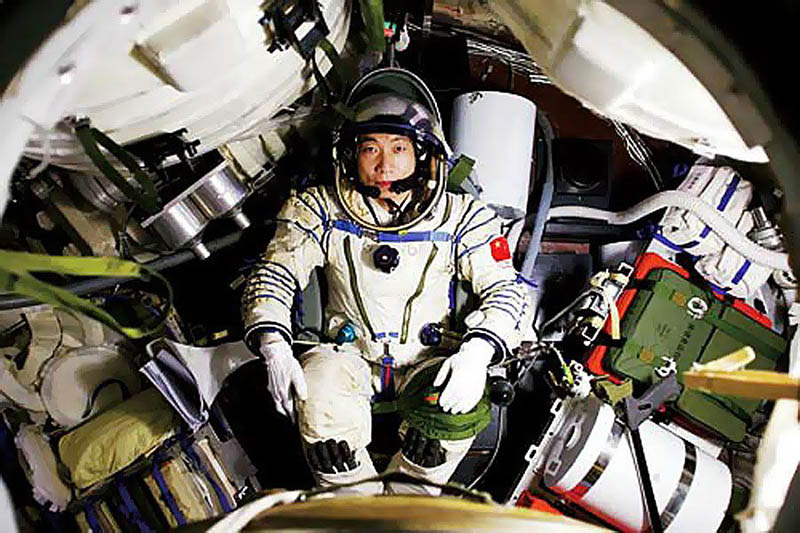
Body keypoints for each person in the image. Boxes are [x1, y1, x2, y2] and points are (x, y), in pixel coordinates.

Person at [241, 68, 531, 495]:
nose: (384, 164)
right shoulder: (319, 209)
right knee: (319, 405)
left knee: (453, 418)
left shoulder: (462, 217)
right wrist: (273, 345)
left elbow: (506, 289)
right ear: (350, 156)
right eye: (370, 148)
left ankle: (411, 497)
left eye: (399, 148)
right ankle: (357, 505)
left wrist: (477, 352)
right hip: (348, 356)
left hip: (429, 358)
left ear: (422, 154)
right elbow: (275, 273)